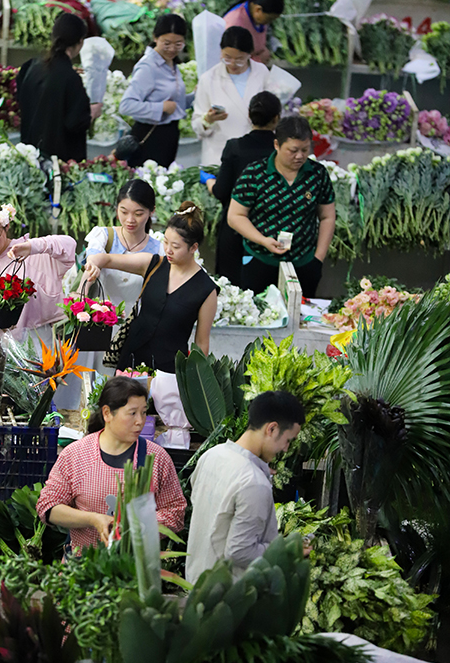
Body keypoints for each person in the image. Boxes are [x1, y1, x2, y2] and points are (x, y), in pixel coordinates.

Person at [36, 376, 186, 552]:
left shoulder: (156, 458)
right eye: (132, 413)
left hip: (136, 569)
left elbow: (175, 513)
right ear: (107, 413)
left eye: (144, 412)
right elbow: (48, 507)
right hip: (82, 567)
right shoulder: (76, 454)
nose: (140, 421)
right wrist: (93, 519)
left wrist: (137, 526)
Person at [186, 391, 305, 582]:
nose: (285, 449)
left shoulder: (212, 455)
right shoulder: (253, 482)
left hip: (197, 581)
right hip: (228, 596)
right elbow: (240, 552)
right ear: (272, 429)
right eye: (287, 440)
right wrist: (285, 549)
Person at [85, 202, 218, 374]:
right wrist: (94, 263)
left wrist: (197, 383)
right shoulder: (154, 264)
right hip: (130, 362)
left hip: (168, 372)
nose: (168, 250)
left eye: (175, 247)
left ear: (193, 248)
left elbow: (201, 343)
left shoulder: (207, 290)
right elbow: (107, 259)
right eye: (166, 242)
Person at [228, 115, 336, 298]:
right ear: (277, 145)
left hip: (304, 263)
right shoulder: (255, 173)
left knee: (301, 319)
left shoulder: (318, 175)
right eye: (293, 150)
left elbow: (327, 216)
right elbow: (235, 216)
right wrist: (262, 240)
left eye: (305, 149)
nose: (300, 156)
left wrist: (318, 258)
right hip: (260, 260)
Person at [0, 199, 77, 334]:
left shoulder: (31, 252)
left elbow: (69, 245)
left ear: (7, 226)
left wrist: (33, 246)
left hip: (40, 337)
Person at [202, 91, 282, 284]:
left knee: (232, 290)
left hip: (235, 231)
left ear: (249, 115)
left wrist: (208, 181)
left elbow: (222, 192)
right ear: (277, 118)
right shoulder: (279, 152)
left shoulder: (235, 148)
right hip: (269, 230)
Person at [17, 13, 99, 164]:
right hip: (56, 162)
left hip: (29, 153)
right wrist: (92, 113)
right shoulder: (71, 79)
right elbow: (76, 123)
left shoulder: (33, 66)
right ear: (80, 42)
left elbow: (22, 99)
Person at [119, 14, 194, 168]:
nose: (172, 49)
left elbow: (174, 103)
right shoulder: (148, 67)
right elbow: (126, 105)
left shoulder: (171, 64)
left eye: (178, 44)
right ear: (155, 37)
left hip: (169, 135)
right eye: (167, 43)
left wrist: (196, 97)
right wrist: (161, 108)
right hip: (150, 138)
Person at [83, 179, 165, 318]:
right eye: (124, 212)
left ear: (152, 211)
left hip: (138, 326)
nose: (130, 220)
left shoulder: (159, 250)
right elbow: (93, 258)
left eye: (138, 214)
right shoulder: (104, 236)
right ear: (117, 209)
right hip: (100, 324)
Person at [191, 26, 270, 167]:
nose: (233, 64)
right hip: (219, 155)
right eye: (227, 58)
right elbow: (196, 124)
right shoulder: (208, 79)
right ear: (220, 51)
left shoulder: (261, 72)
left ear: (250, 54)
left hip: (257, 152)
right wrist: (207, 120)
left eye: (239, 59)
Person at [223, 0, 284, 65]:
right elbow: (232, 62)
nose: (269, 22)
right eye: (269, 19)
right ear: (258, 9)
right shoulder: (235, 22)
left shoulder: (258, 18)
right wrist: (258, 60)